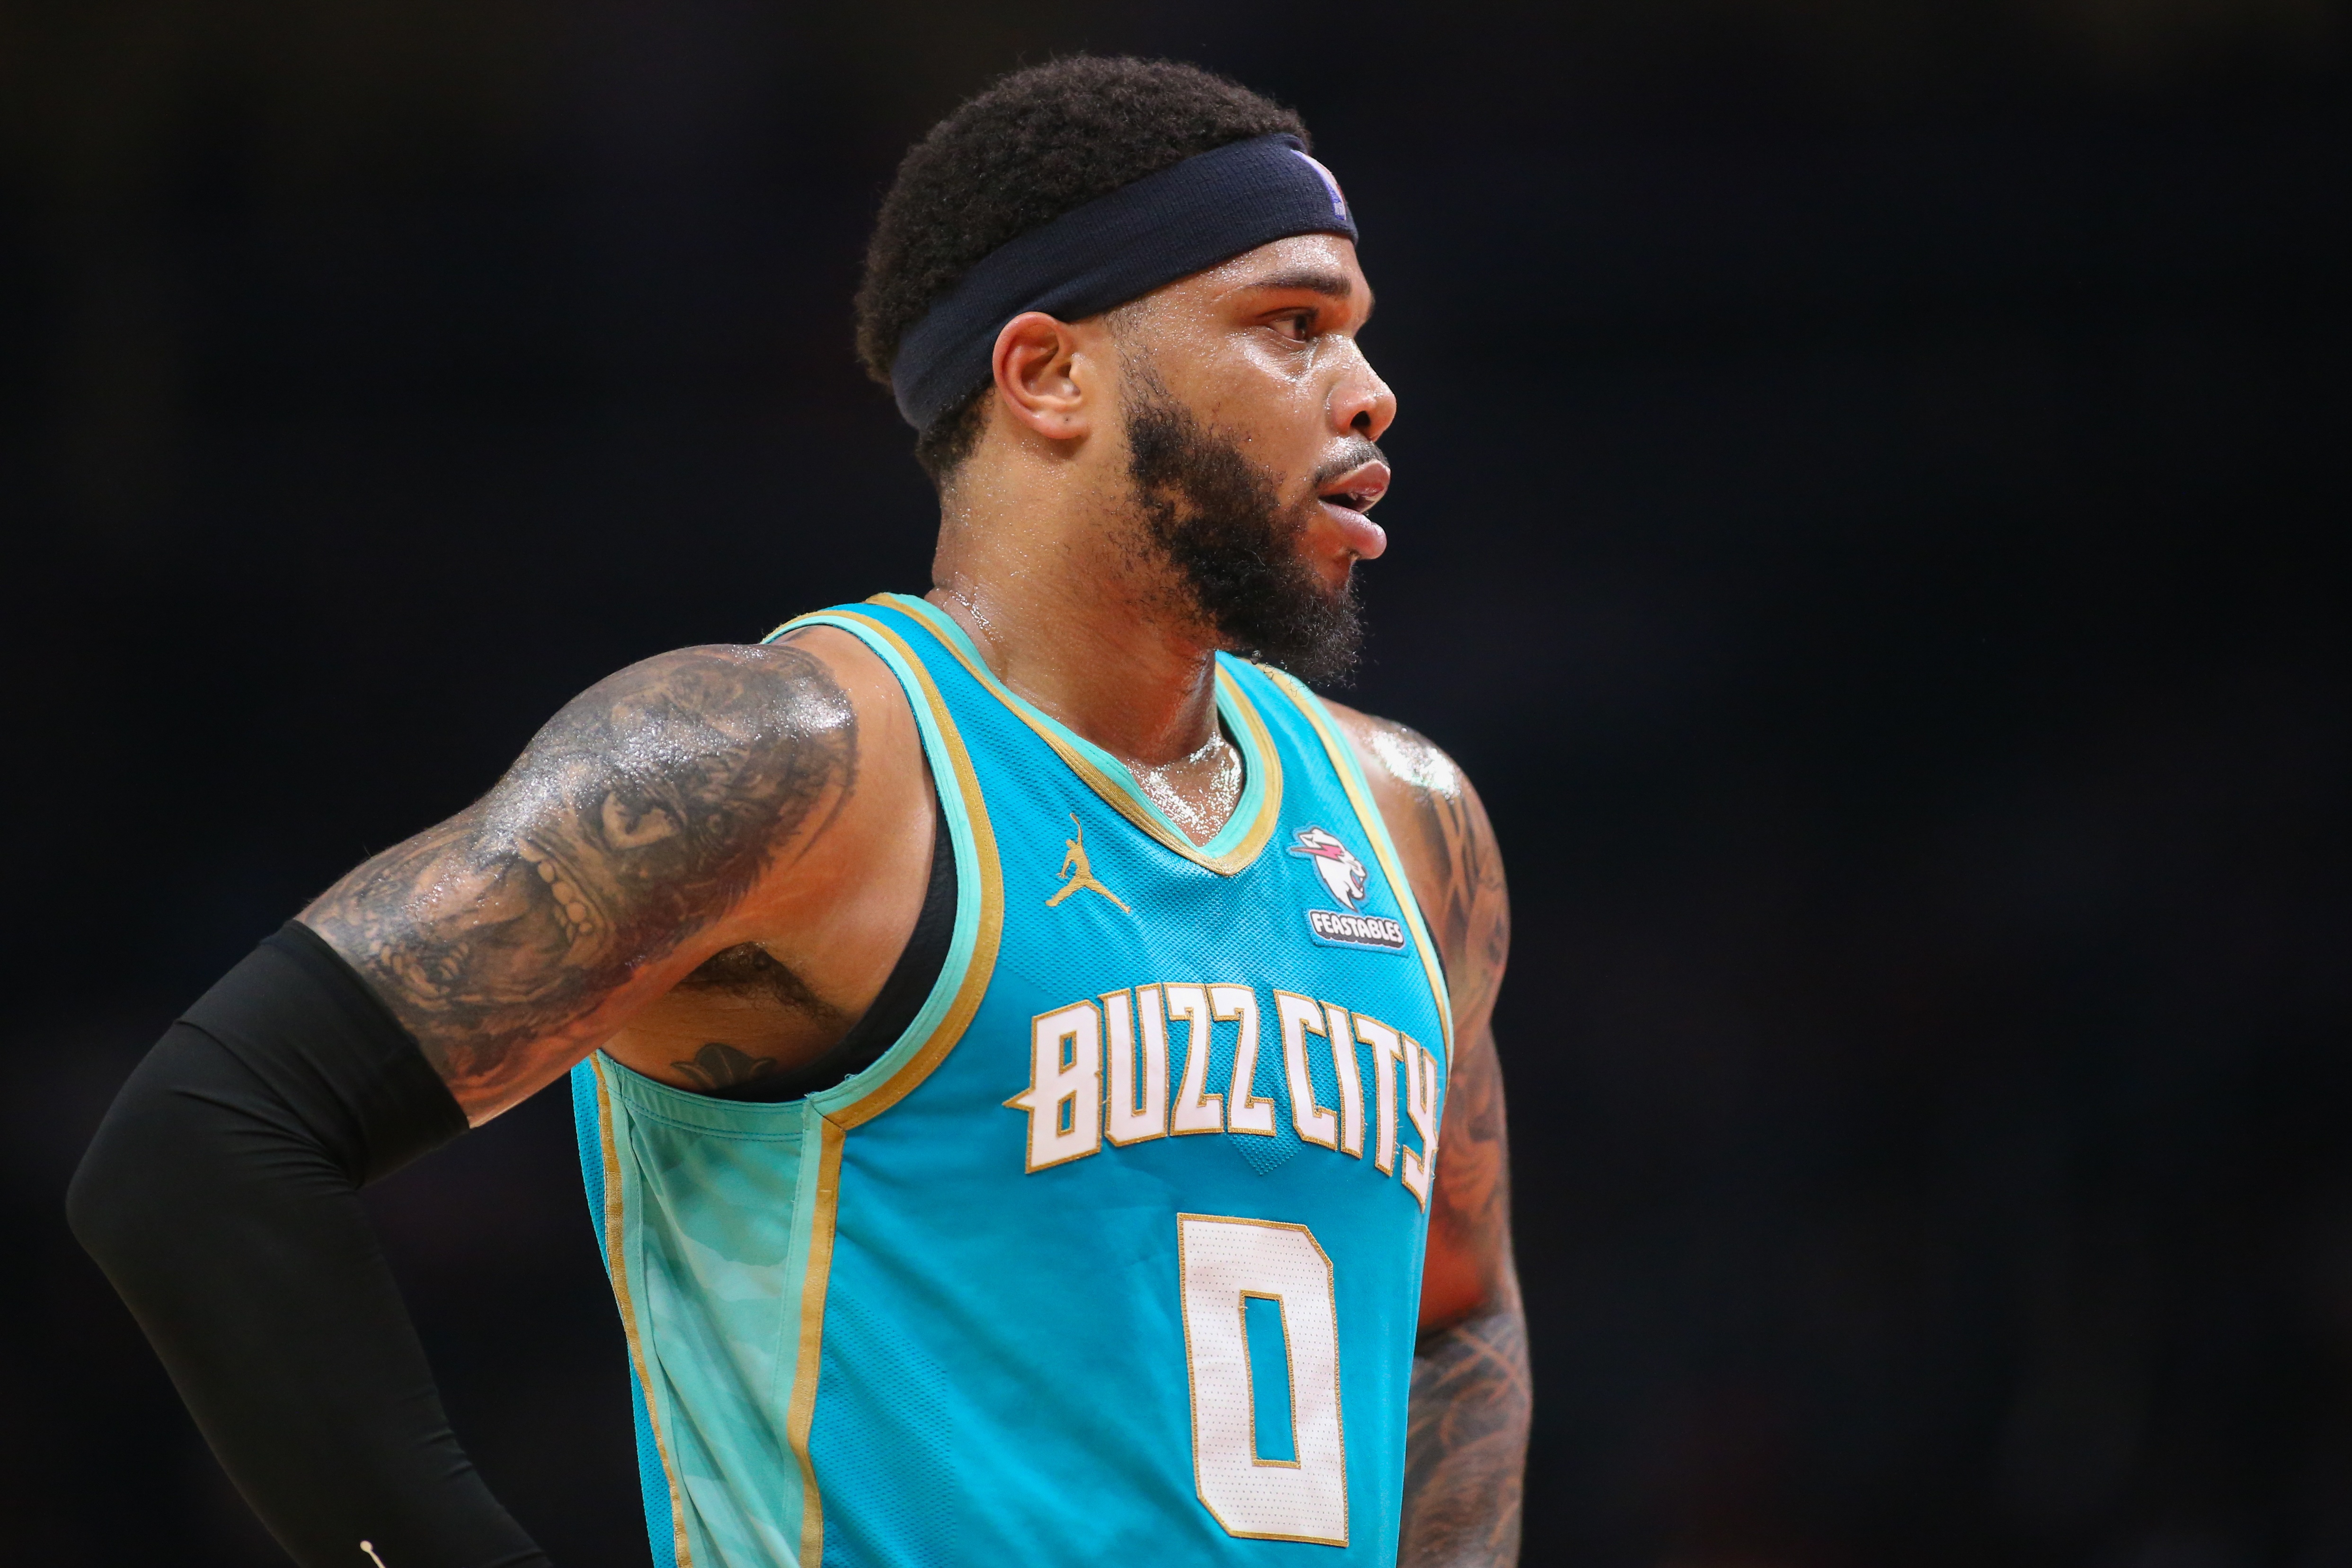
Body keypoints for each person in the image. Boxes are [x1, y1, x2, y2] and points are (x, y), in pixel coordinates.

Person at [70, 55, 1528, 1568]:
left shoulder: (1409, 823)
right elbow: (198, 1145)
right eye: (1292, 325)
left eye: (1355, 331)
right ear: (1048, 375)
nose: (1369, 388)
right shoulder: (788, 765)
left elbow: (1458, 1313)